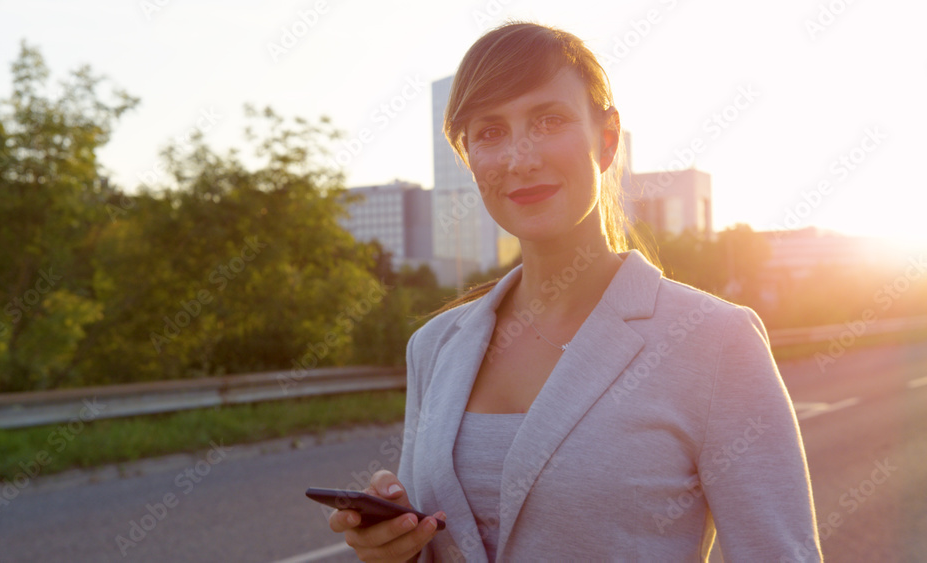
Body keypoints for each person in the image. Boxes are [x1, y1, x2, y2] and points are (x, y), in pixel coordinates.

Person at [328, 21, 821, 562]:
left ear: (606, 140)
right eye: (490, 132)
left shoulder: (717, 341)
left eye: (549, 120)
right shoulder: (434, 347)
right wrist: (392, 551)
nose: (520, 157)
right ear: (469, 159)